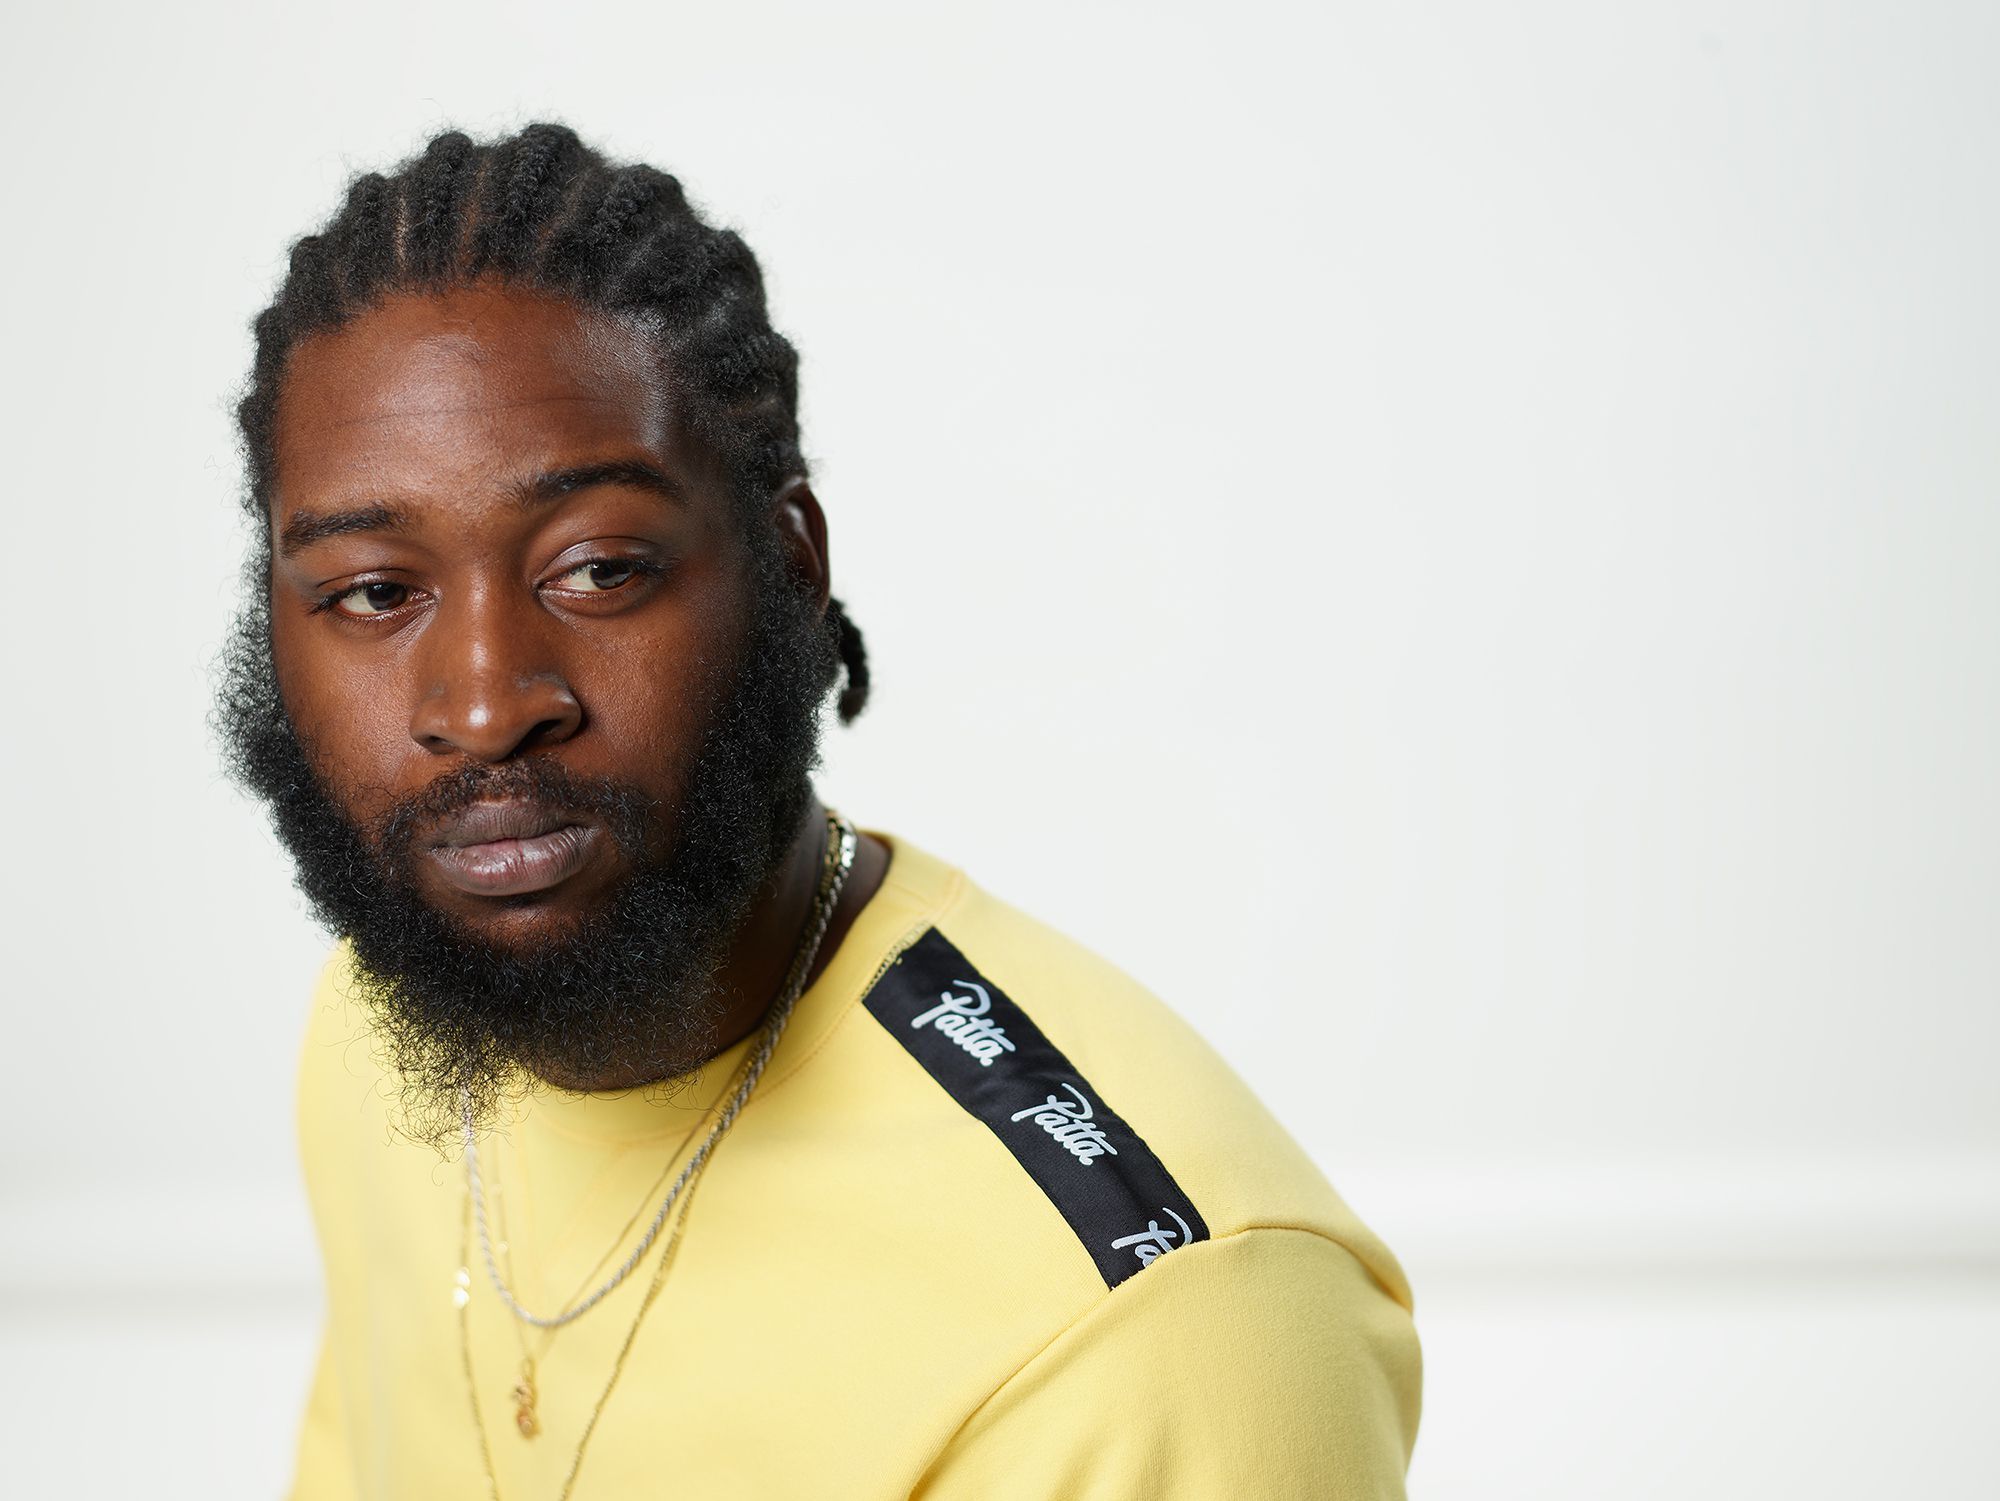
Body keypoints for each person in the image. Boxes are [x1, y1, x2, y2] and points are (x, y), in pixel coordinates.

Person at [218, 120, 1421, 1499]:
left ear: (791, 571)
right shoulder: (375, 1033)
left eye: (597, 568)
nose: (486, 706)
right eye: (375, 591)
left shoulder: (1162, 1336)